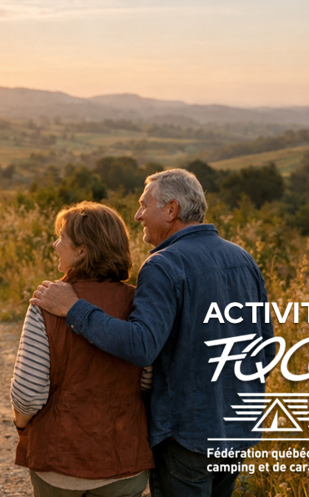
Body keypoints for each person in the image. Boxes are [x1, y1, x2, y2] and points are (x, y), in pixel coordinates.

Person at [31, 169, 275, 497]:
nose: (138, 215)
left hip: (186, 437)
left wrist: (74, 309)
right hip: (237, 432)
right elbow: (266, 349)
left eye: (144, 205)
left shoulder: (164, 264)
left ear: (171, 210)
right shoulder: (242, 259)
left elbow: (141, 345)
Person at [11, 202, 153, 497]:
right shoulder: (140, 303)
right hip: (125, 459)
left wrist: (22, 424)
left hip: (61, 463)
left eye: (61, 237)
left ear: (81, 251)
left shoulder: (48, 302)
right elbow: (148, 381)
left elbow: (28, 394)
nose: (55, 243)